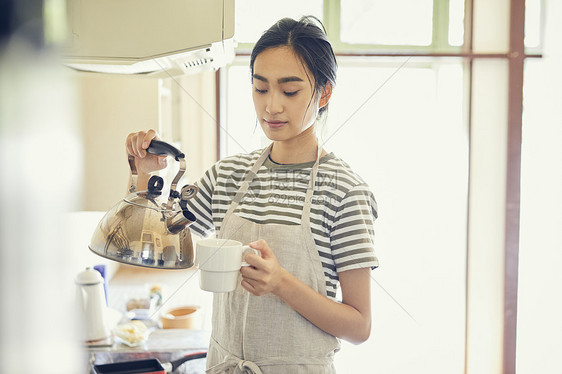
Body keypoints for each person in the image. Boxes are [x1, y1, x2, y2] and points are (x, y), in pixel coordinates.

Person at [126, 16, 378, 374]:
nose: (271, 106)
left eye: (289, 91)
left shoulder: (345, 192)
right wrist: (146, 174)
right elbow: (152, 243)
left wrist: (281, 283)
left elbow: (359, 326)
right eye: (260, 89)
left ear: (324, 93)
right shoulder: (227, 176)